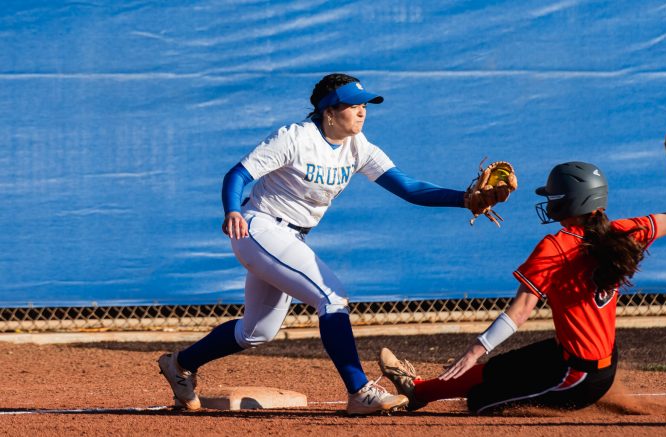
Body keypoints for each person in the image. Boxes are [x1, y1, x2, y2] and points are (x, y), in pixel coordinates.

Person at [158, 73, 505, 415]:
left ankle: (180, 364)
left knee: (257, 331)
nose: (362, 110)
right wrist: (232, 210)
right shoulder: (294, 138)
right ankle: (359, 391)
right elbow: (238, 175)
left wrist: (464, 199)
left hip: (290, 237)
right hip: (258, 227)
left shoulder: (358, 147)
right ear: (329, 111)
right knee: (331, 297)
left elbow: (409, 189)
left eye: (365, 104)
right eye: (354, 104)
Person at [379, 132, 666, 414]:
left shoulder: (557, 246)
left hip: (577, 378)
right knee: (498, 368)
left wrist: (474, 350)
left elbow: (520, 312)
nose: (549, 202)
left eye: (554, 197)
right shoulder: (621, 231)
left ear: (570, 202)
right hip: (586, 359)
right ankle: (419, 390)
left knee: (481, 401)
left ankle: (428, 392)